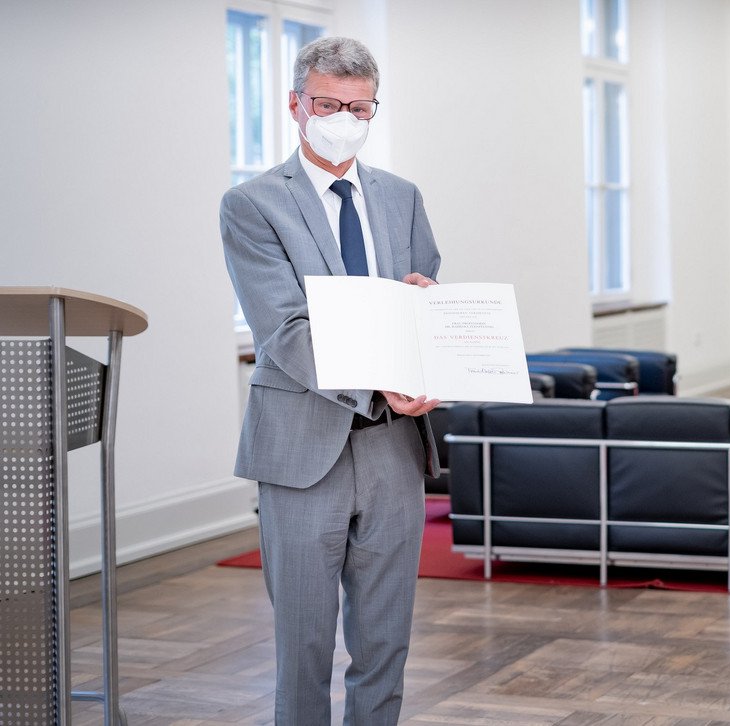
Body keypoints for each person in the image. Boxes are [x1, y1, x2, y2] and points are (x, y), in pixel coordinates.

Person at [220, 36, 441, 725]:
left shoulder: (401, 197)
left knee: (385, 641)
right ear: (296, 104)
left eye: (358, 106)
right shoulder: (253, 205)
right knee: (304, 644)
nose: (342, 117)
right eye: (327, 104)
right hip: (301, 445)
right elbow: (284, 331)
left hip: (391, 445)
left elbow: (421, 302)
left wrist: (427, 331)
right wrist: (384, 379)